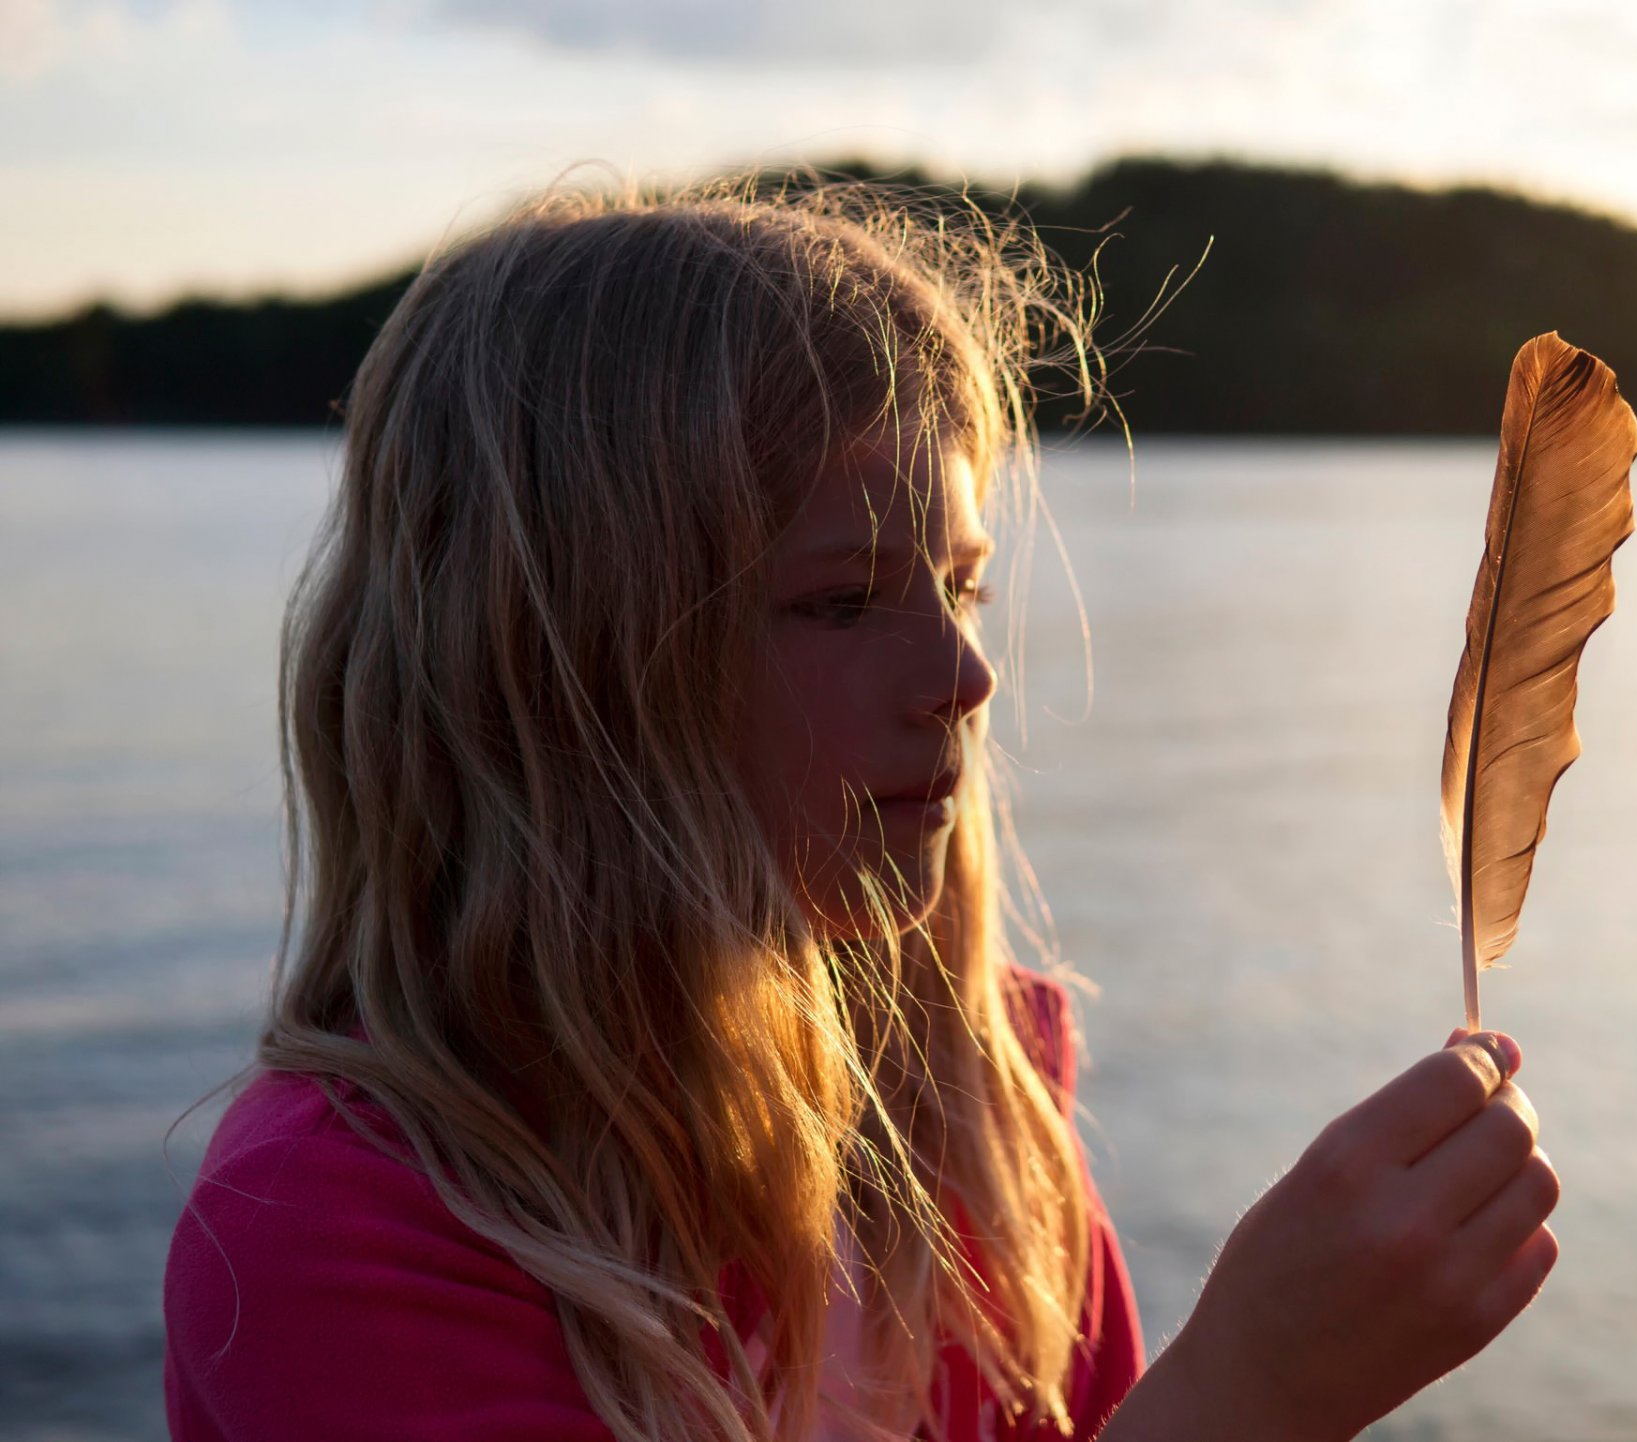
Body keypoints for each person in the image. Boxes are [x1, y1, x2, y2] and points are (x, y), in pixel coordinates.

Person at [162, 174, 1559, 1442]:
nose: (965, 674)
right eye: (841, 598)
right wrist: (1255, 1391)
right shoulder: (337, 1237)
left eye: (959, 584)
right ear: (558, 668)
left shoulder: (968, 1123)